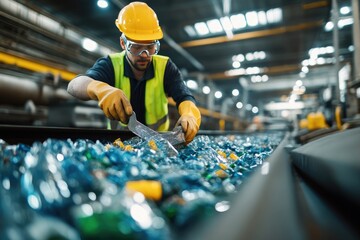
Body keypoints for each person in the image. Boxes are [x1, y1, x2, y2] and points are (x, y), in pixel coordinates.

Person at [67, 2, 201, 144]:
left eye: (150, 47)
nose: (144, 55)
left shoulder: (165, 67)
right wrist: (100, 90)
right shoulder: (111, 64)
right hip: (119, 145)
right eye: (136, 47)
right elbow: (74, 86)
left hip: (159, 146)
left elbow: (184, 95)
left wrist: (189, 114)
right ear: (123, 44)